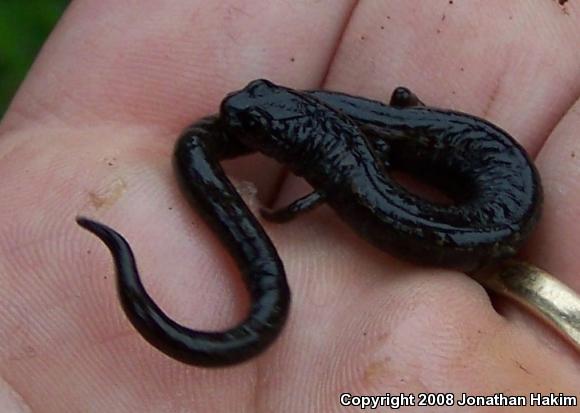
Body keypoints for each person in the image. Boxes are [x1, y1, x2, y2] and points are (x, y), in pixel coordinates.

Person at [0, 1, 578, 412]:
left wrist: (284, 212)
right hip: (468, 182)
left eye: (252, 123)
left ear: (295, 153)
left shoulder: (341, 173)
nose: (235, 108)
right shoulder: (356, 151)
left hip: (492, 218)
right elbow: (389, 120)